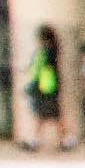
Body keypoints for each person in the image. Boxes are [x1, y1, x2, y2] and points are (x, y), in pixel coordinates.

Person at [19, 23, 68, 152]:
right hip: (48, 87)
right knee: (48, 115)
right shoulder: (52, 51)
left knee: (46, 115)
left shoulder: (47, 52)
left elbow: (39, 69)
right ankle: (63, 140)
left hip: (45, 87)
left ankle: (37, 141)